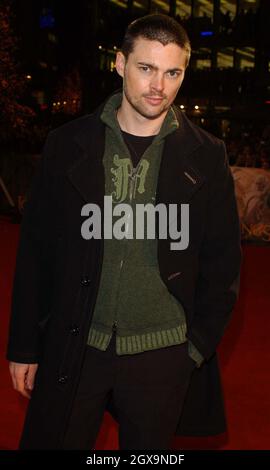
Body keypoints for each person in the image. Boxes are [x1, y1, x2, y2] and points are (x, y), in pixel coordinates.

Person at [7, 14, 242, 450]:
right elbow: (35, 253)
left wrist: (192, 350)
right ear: (120, 64)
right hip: (78, 344)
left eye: (173, 72)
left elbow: (222, 264)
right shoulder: (67, 145)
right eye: (146, 68)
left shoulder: (207, 156)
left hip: (162, 355)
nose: (160, 86)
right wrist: (25, 345)